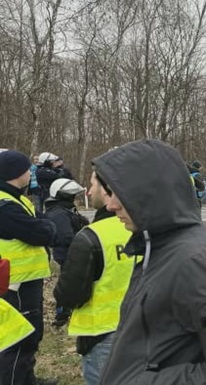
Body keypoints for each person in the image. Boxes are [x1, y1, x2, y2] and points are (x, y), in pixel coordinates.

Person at [91, 140, 206, 384]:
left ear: (151, 193)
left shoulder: (195, 262)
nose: (111, 204)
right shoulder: (156, 246)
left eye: (120, 193)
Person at [53, 171, 133, 385]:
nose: (88, 191)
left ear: (108, 190)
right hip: (144, 329)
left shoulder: (92, 236)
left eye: (92, 185)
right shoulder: (146, 230)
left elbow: (69, 294)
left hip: (102, 334)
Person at [0, 150, 58, 385]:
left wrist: (44, 225)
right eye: (27, 169)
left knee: (31, 333)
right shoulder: (5, 205)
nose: (30, 173)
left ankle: (26, 378)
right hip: (14, 282)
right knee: (19, 337)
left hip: (25, 279)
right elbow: (42, 232)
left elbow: (43, 224)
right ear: (16, 174)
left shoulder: (17, 198)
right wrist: (45, 226)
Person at [43, 178, 89, 327]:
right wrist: (84, 241)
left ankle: (65, 311)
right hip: (67, 253)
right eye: (72, 195)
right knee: (68, 283)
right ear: (64, 196)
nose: (74, 198)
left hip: (72, 251)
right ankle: (62, 314)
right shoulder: (58, 213)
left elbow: (78, 222)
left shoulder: (64, 209)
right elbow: (65, 236)